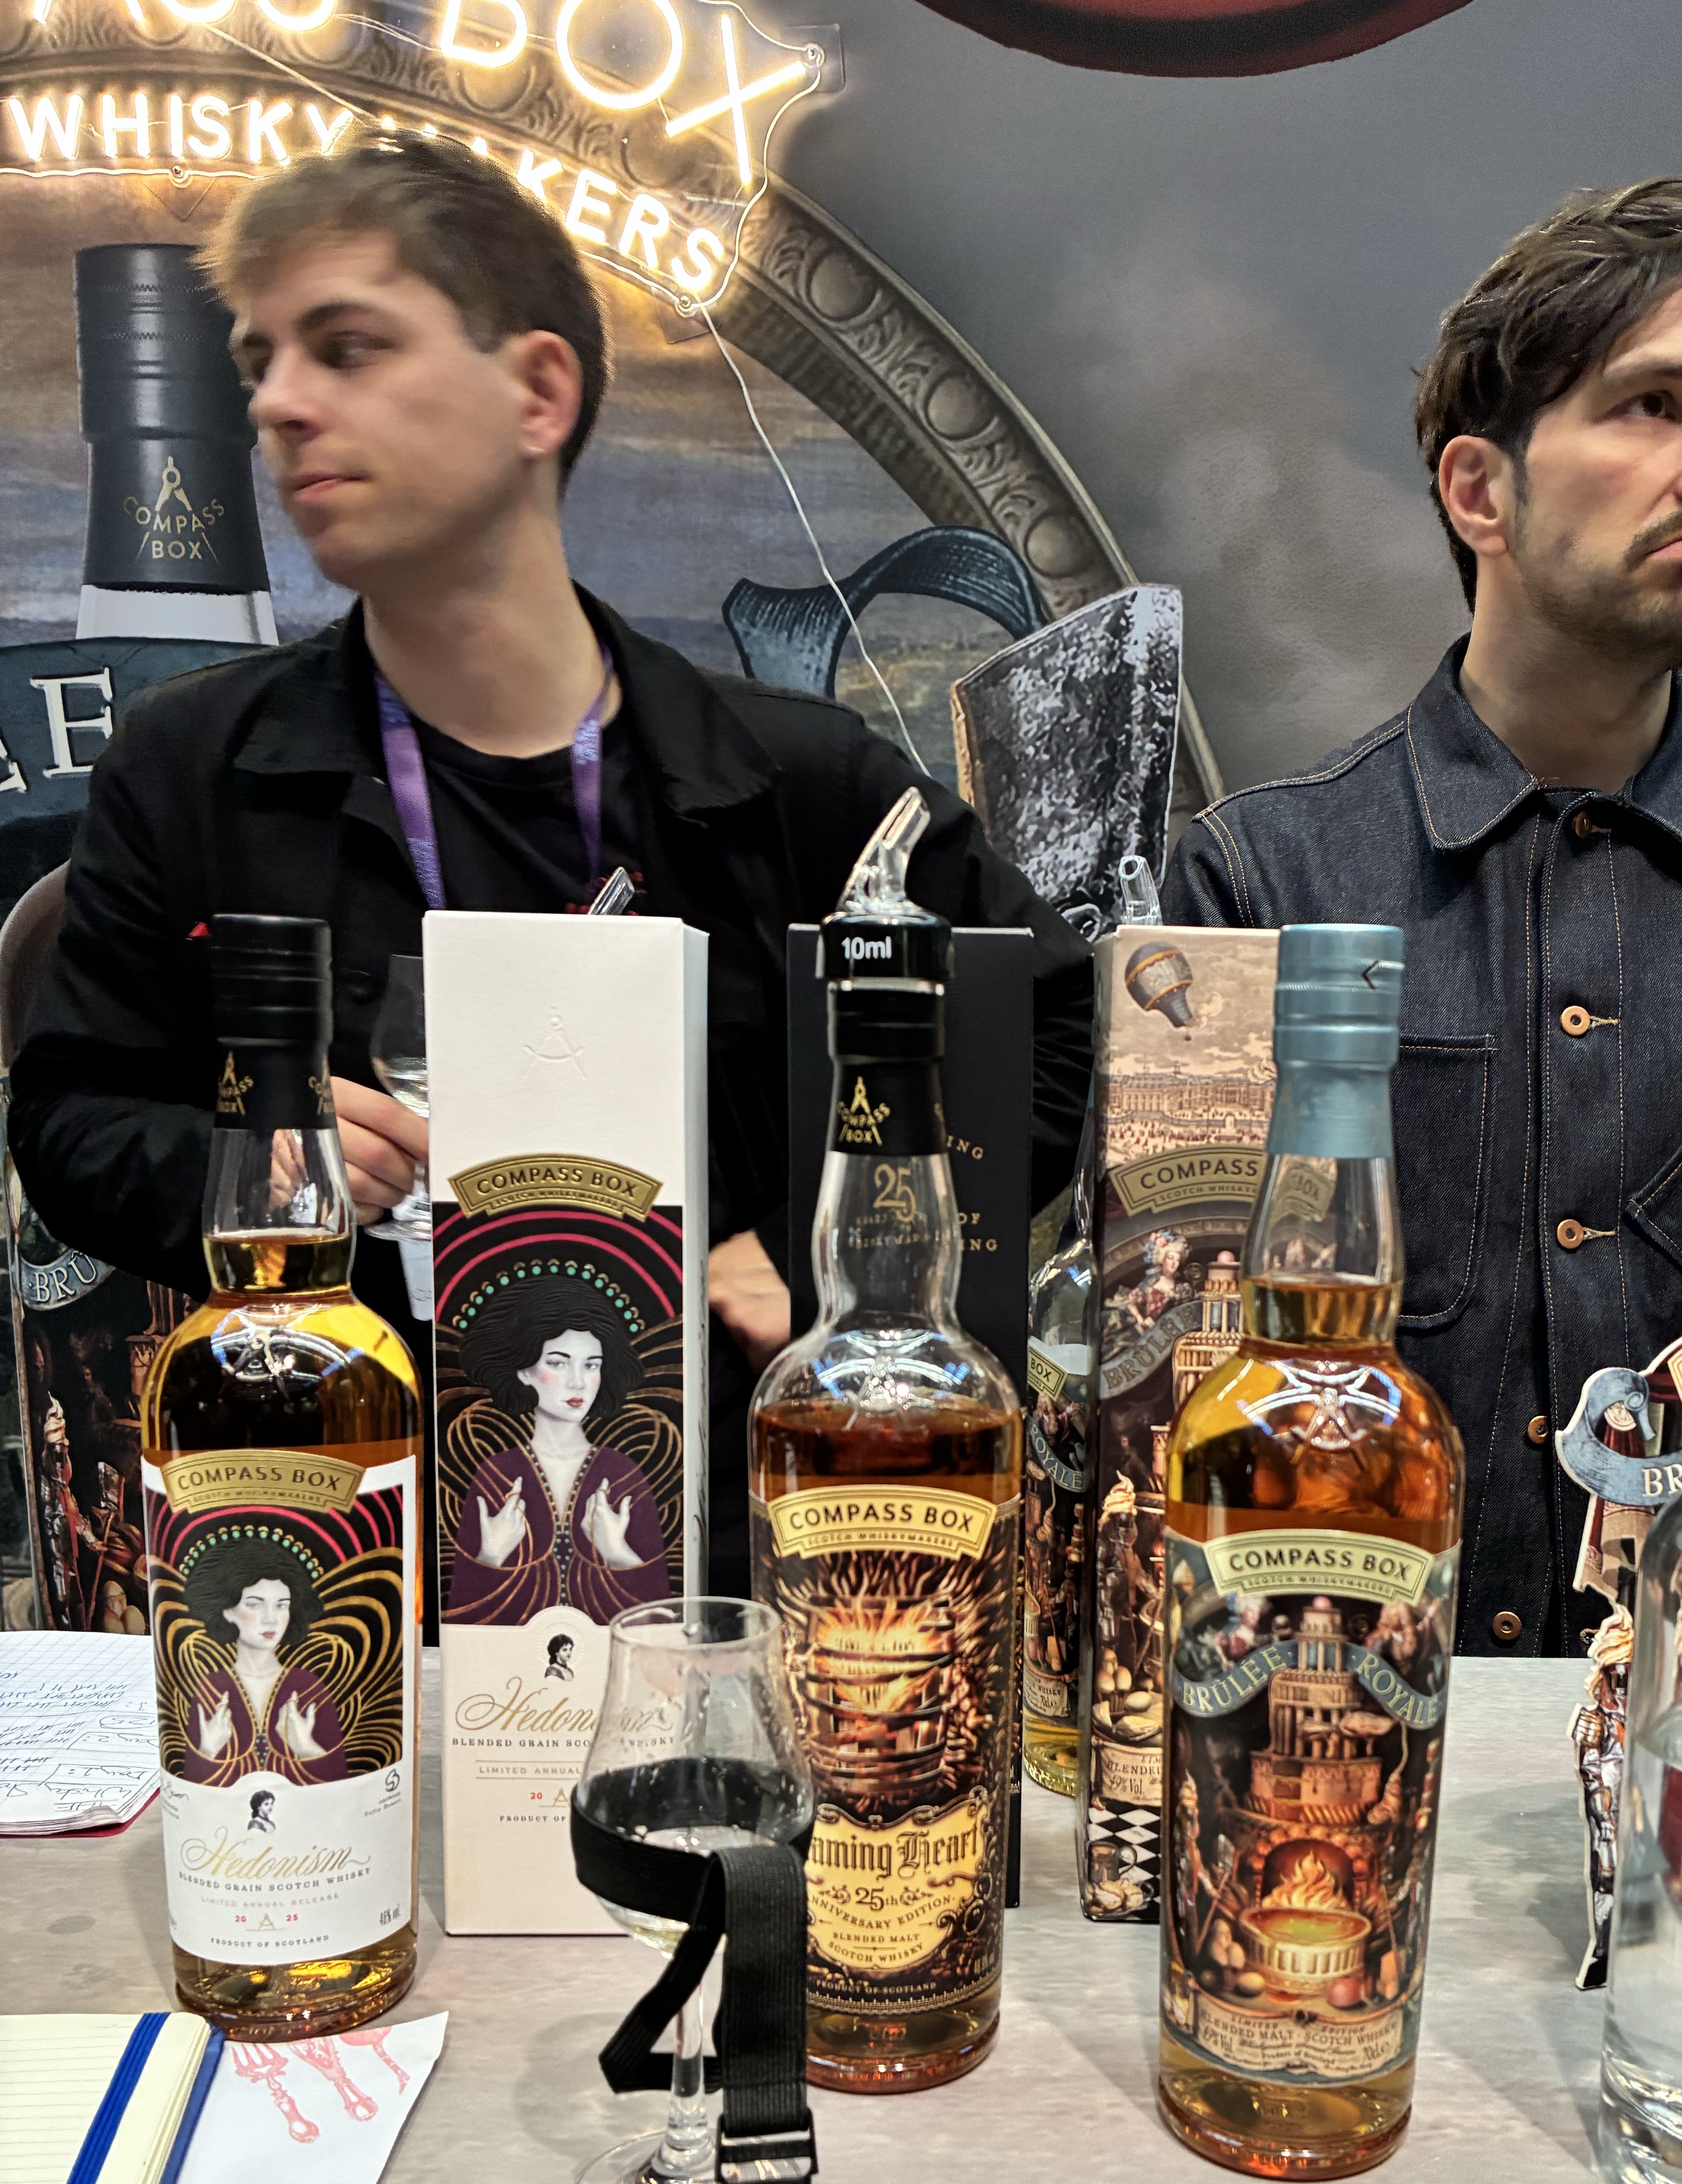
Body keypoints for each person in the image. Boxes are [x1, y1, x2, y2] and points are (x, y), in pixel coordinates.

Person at [8, 134, 1091, 1598]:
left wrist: (830, 1261)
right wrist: (245, 1171)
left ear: (538, 391)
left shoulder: (797, 781)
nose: (277, 402)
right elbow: (70, 1117)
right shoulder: (192, 768)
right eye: (260, 361)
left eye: (347, 347)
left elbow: (1051, 1024)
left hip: (723, 1559)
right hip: (344, 1539)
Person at [1164, 175, 1682, 1656]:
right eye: (1654, 405)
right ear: (1479, 491)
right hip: (1345, 1728)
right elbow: (1172, 1398)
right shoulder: (1258, 885)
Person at [445, 1281, 672, 1626]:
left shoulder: (623, 1471)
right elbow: (463, 1621)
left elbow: (664, 1623)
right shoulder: (497, 1472)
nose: (578, 1382)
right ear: (524, 1370)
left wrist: (618, 1553)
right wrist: (491, 1555)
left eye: (591, 1365)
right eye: (559, 1363)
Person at [181, 1537, 349, 1787]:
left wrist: (307, 1748)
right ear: (228, 1610)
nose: (271, 1619)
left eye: (282, 1606)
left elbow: (343, 1789)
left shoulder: (308, 1687)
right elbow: (191, 1787)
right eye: (254, 1605)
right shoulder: (212, 1688)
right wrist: (208, 1749)